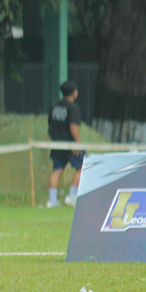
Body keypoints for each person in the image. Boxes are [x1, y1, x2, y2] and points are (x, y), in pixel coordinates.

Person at [47, 80, 84, 208]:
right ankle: (72, 197)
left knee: (57, 170)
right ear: (74, 93)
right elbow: (73, 126)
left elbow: (50, 126)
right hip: (71, 145)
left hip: (57, 144)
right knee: (82, 167)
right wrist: (78, 144)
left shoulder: (54, 107)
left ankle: (52, 200)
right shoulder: (73, 108)